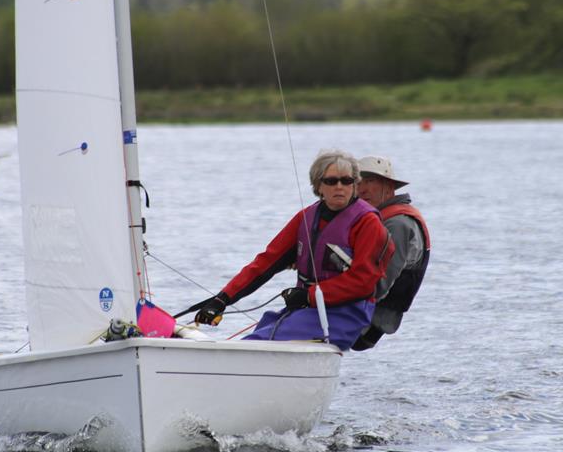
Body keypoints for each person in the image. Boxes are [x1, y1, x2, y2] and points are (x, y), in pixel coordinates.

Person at [184, 150, 392, 351]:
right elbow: (265, 263)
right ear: (318, 185)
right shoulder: (305, 218)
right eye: (331, 181)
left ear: (355, 185)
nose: (340, 186)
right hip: (306, 311)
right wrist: (222, 300)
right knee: (255, 338)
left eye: (347, 181)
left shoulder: (367, 223)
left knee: (260, 343)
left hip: (346, 314)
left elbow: (363, 282)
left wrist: (307, 296)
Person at [352, 155, 430, 351]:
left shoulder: (397, 224)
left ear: (389, 186)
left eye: (370, 181)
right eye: (358, 182)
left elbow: (381, 283)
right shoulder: (378, 219)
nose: (362, 189)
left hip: (369, 321)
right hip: (365, 314)